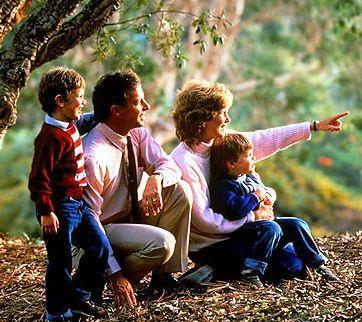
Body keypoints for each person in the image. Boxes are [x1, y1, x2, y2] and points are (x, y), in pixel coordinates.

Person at [171, 79, 348, 285]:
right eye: (222, 112)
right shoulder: (184, 160)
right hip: (213, 246)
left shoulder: (221, 141)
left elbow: (264, 138)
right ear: (203, 118)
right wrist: (253, 215)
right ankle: (216, 267)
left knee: (294, 265)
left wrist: (313, 126)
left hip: (245, 234)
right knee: (280, 254)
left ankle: (223, 270)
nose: (228, 118)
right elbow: (206, 221)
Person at [82, 70, 192, 309]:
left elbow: (169, 166)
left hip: (130, 218)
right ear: (116, 111)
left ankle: (162, 276)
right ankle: (101, 281)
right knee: (162, 243)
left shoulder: (136, 133)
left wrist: (156, 179)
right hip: (100, 231)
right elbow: (89, 220)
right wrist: (115, 274)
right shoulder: (94, 155)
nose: (146, 105)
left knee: (180, 191)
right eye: (137, 101)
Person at [28, 67, 110, 321]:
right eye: (79, 97)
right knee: (60, 262)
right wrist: (46, 211)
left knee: (100, 247)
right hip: (58, 208)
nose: (82, 102)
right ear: (60, 101)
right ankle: (56, 313)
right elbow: (38, 180)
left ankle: (79, 295)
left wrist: (107, 111)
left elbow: (85, 120)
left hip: (78, 205)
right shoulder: (50, 138)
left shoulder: (69, 124)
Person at [208, 132, 338, 285]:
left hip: (263, 228)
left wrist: (268, 194)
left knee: (296, 224)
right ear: (232, 163)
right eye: (249, 155)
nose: (253, 158)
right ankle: (251, 271)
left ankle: (317, 264)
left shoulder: (246, 176)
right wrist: (255, 196)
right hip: (243, 236)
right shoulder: (223, 185)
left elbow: (263, 189)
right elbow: (233, 211)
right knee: (272, 228)